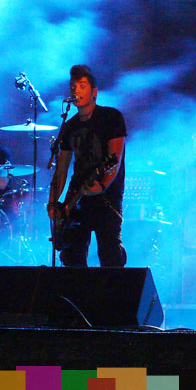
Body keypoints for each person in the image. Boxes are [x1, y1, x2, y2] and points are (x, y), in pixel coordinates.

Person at [47, 65, 127, 267]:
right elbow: (61, 169)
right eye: (73, 86)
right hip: (77, 196)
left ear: (94, 92)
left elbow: (115, 158)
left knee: (109, 254)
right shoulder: (69, 126)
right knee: (72, 256)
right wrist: (53, 202)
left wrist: (103, 184)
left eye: (82, 86)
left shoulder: (111, 117)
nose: (76, 90)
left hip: (106, 197)